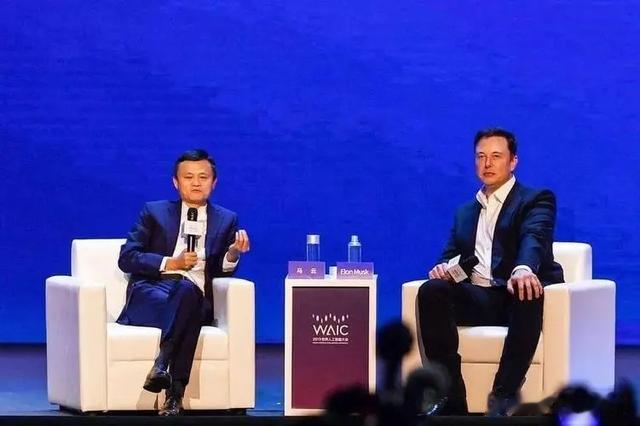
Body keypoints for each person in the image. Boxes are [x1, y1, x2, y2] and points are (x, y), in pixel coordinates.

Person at [416, 128, 564, 416]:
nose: (487, 164)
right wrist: (443, 269)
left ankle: (502, 396)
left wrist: (523, 268)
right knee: (431, 291)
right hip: (480, 296)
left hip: (515, 296)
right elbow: (451, 256)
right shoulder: (465, 212)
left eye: (496, 156)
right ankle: (450, 400)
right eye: (480, 156)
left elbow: (534, 237)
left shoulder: (535, 199)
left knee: (527, 290)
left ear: (513, 161)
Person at [116, 149, 250, 416]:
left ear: (214, 182)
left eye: (203, 177)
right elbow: (127, 257)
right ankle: (175, 395)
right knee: (189, 305)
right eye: (188, 177)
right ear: (176, 182)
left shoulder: (226, 219)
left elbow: (221, 272)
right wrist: (171, 263)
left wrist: (233, 254)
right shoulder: (154, 212)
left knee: (189, 295)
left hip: (195, 296)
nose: (196, 183)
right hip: (152, 293)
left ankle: (161, 366)